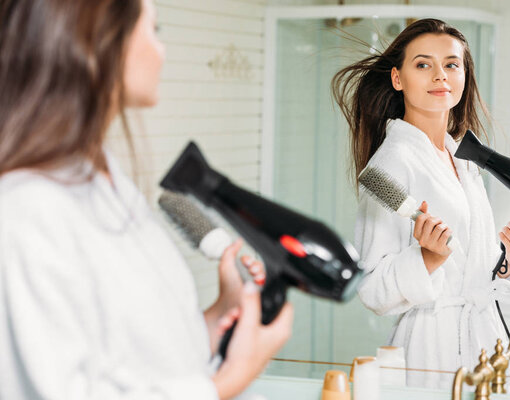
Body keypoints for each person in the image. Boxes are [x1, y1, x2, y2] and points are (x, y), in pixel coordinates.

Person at [0, 1, 292, 399]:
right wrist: (230, 380)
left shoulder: (109, 184)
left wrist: (219, 315)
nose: (163, 50)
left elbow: (145, 364)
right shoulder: (29, 209)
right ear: (102, 41)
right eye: (155, 29)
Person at [332, 18, 510, 390]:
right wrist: (427, 259)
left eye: (451, 64)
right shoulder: (391, 164)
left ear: (464, 75)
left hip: (482, 344)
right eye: (423, 64)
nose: (440, 75)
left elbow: (473, 268)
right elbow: (372, 288)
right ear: (398, 79)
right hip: (430, 350)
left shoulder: (460, 158)